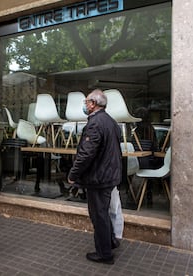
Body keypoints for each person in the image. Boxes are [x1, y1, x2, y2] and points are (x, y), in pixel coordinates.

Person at [68, 89, 122, 265]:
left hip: (99, 178)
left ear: (93, 104)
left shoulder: (95, 124)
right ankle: (111, 241)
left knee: (99, 216)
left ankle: (105, 254)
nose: (85, 105)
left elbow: (86, 154)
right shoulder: (110, 121)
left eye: (86, 102)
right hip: (109, 176)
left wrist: (73, 175)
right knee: (104, 213)